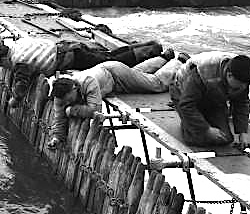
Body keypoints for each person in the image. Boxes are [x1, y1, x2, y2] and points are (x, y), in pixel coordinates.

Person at [47, 56, 187, 149]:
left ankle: (179, 61)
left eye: (67, 99)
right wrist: (56, 137)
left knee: (155, 84)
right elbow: (59, 119)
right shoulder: (60, 94)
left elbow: (95, 109)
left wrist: (72, 110)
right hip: (110, 77)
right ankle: (163, 58)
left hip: (114, 73)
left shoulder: (89, 82)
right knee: (138, 76)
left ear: (73, 89)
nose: (65, 102)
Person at [0, 36, 171, 108]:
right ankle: (149, 46)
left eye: (2, 66)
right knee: (108, 56)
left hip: (70, 57)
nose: (6, 69)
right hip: (68, 47)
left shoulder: (18, 61)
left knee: (113, 61)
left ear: (4, 59)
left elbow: (21, 83)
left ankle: (152, 51)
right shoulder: (18, 44)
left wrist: (15, 99)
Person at [169, 52, 250, 148]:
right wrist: (206, 129)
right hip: (181, 92)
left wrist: (242, 132)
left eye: (245, 85)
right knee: (199, 138)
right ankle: (187, 126)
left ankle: (199, 120)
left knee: (225, 138)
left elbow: (241, 103)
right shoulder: (204, 72)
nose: (242, 88)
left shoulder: (242, 77)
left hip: (212, 96)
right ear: (229, 75)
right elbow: (186, 105)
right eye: (237, 87)